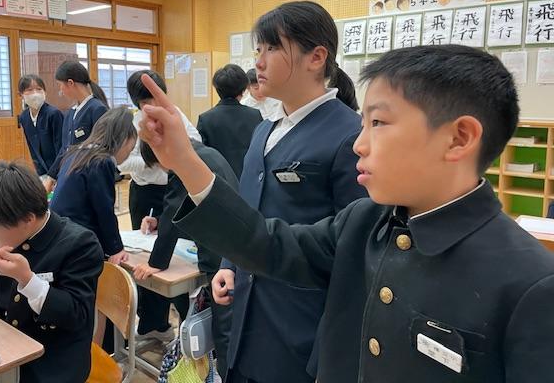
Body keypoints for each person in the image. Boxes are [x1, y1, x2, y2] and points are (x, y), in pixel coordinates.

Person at [138, 44, 554, 383]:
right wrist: (184, 160)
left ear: (459, 138)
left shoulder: (530, 284)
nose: (359, 144)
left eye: (379, 123)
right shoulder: (366, 220)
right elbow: (266, 243)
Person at [211, 1, 366, 383]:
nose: (259, 62)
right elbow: (246, 209)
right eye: (258, 50)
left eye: (272, 48)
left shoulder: (350, 135)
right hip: (244, 310)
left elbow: (356, 249)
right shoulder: (263, 129)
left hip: (300, 327)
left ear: (316, 57)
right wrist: (228, 264)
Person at [0, 161, 103, 383]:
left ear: (28, 219)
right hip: (8, 349)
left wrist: (27, 280)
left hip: (54, 361)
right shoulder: (0, 241)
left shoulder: (80, 244)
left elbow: (77, 316)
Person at [135, 139, 237, 378]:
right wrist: (158, 221)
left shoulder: (181, 163)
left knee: (222, 326)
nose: (163, 170)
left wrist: (155, 263)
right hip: (233, 243)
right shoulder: (204, 152)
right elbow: (186, 203)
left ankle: (222, 373)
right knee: (224, 321)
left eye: (158, 165)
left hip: (220, 251)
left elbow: (173, 211)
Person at [117, 69, 201, 342]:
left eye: (156, 95)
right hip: (145, 193)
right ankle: (154, 323)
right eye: (145, 100)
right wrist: (153, 160)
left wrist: (167, 157)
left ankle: (188, 325)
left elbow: (196, 144)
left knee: (175, 259)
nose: (152, 103)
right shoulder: (134, 122)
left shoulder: (175, 115)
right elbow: (122, 162)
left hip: (174, 187)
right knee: (145, 258)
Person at [50, 106, 135, 265]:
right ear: (124, 141)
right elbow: (104, 210)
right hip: (79, 239)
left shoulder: (77, 152)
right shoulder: (101, 161)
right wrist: (116, 248)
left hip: (60, 232)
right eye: (129, 151)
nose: (126, 157)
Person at [43, 60, 108, 191]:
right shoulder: (70, 113)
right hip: (71, 177)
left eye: (60, 85)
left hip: (90, 179)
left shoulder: (97, 109)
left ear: (70, 83)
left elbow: (103, 149)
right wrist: (51, 177)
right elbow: (65, 149)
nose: (60, 90)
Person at [197, 64, 262, 178]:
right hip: (250, 178)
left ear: (217, 89)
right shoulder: (255, 116)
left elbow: (201, 156)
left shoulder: (206, 119)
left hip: (220, 180)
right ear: (243, 89)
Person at [18, 74, 63, 177]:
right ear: (21, 95)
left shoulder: (53, 114)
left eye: (39, 89)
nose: (35, 94)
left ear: (45, 92)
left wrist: (53, 175)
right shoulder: (24, 117)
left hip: (59, 170)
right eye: (29, 90)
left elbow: (61, 148)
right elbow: (32, 149)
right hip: (43, 172)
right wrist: (41, 174)